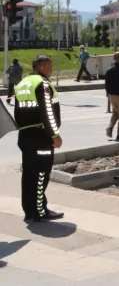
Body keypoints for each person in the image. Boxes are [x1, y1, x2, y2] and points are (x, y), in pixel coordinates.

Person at [13, 54, 64, 223]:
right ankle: (40, 210)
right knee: (42, 173)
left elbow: (17, 113)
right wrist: (54, 135)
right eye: (50, 67)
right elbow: (47, 111)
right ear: (42, 67)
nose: (51, 70)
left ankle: (29, 211)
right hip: (41, 136)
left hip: (25, 136)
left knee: (29, 174)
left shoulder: (22, 84)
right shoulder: (42, 84)